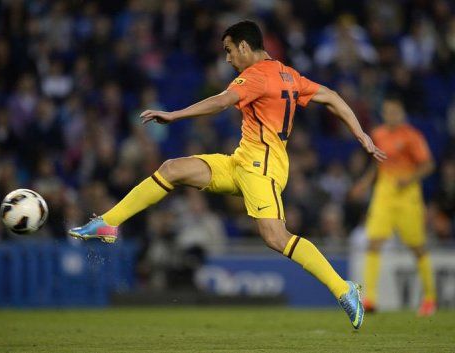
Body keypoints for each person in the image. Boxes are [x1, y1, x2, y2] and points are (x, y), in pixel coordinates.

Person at [69, 20, 386, 329]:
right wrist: (360, 134)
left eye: (230, 50)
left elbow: (222, 101)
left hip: (262, 167)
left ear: (245, 46)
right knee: (172, 169)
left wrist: (175, 115)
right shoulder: (289, 74)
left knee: (276, 237)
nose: (228, 58)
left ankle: (344, 290)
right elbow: (331, 95)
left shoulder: (256, 76)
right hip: (242, 161)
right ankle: (109, 223)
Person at [353, 95, 436, 316]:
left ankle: (429, 298)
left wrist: (410, 179)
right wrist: (364, 183)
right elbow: (377, 164)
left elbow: (428, 165)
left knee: (417, 247)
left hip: (408, 197)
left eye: (395, 111)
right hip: (384, 195)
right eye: (388, 111)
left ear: (402, 113)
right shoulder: (379, 134)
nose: (391, 115)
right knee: (373, 243)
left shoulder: (412, 136)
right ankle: (370, 299)